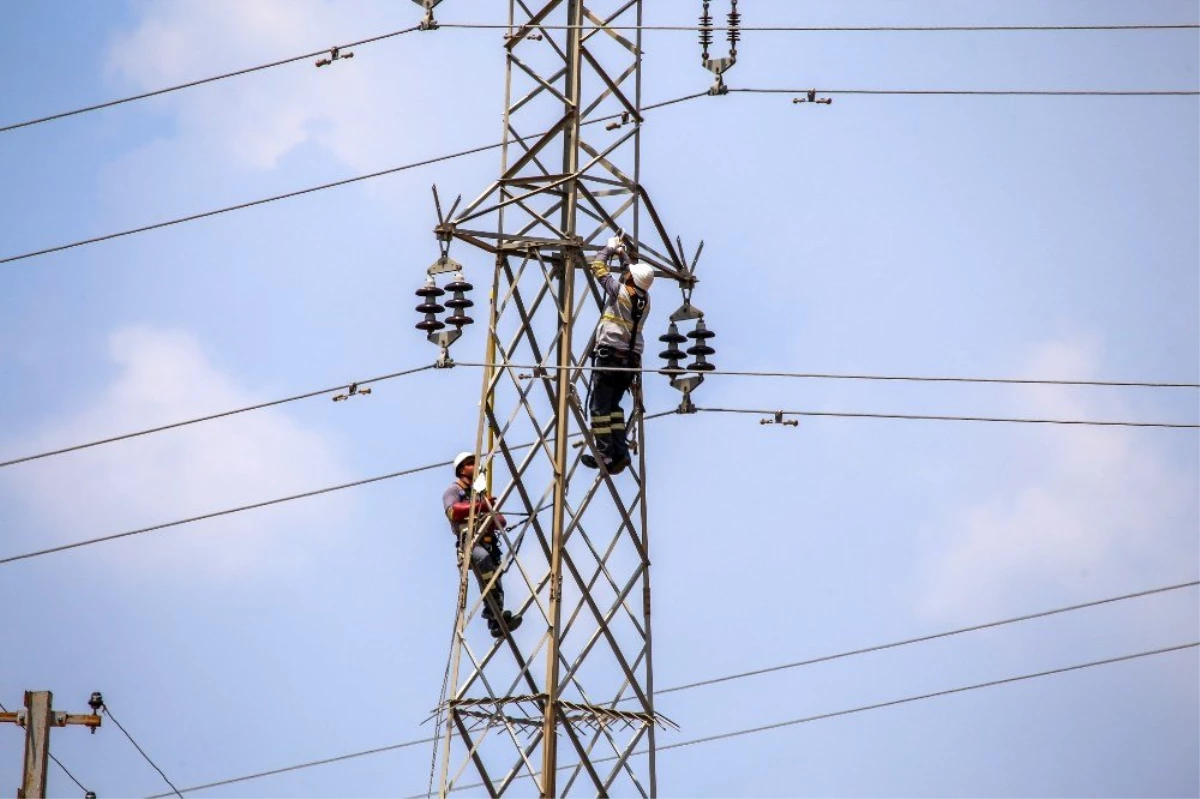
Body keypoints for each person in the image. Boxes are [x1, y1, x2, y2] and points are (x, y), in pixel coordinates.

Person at [581, 236, 655, 474]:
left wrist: (609, 249)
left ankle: (605, 454)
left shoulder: (620, 292)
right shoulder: (646, 298)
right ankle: (620, 452)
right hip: (630, 361)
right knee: (613, 407)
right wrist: (622, 254)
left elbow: (598, 267)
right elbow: (630, 273)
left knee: (599, 409)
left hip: (610, 357)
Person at [443, 452, 522, 638]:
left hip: (488, 543)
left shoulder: (479, 494)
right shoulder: (454, 491)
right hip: (470, 543)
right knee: (485, 563)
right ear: (462, 469)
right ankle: (492, 612)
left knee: (495, 577)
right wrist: (481, 508)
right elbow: (453, 512)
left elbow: (500, 521)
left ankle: (496, 620)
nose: (475, 466)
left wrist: (490, 512)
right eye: (471, 464)